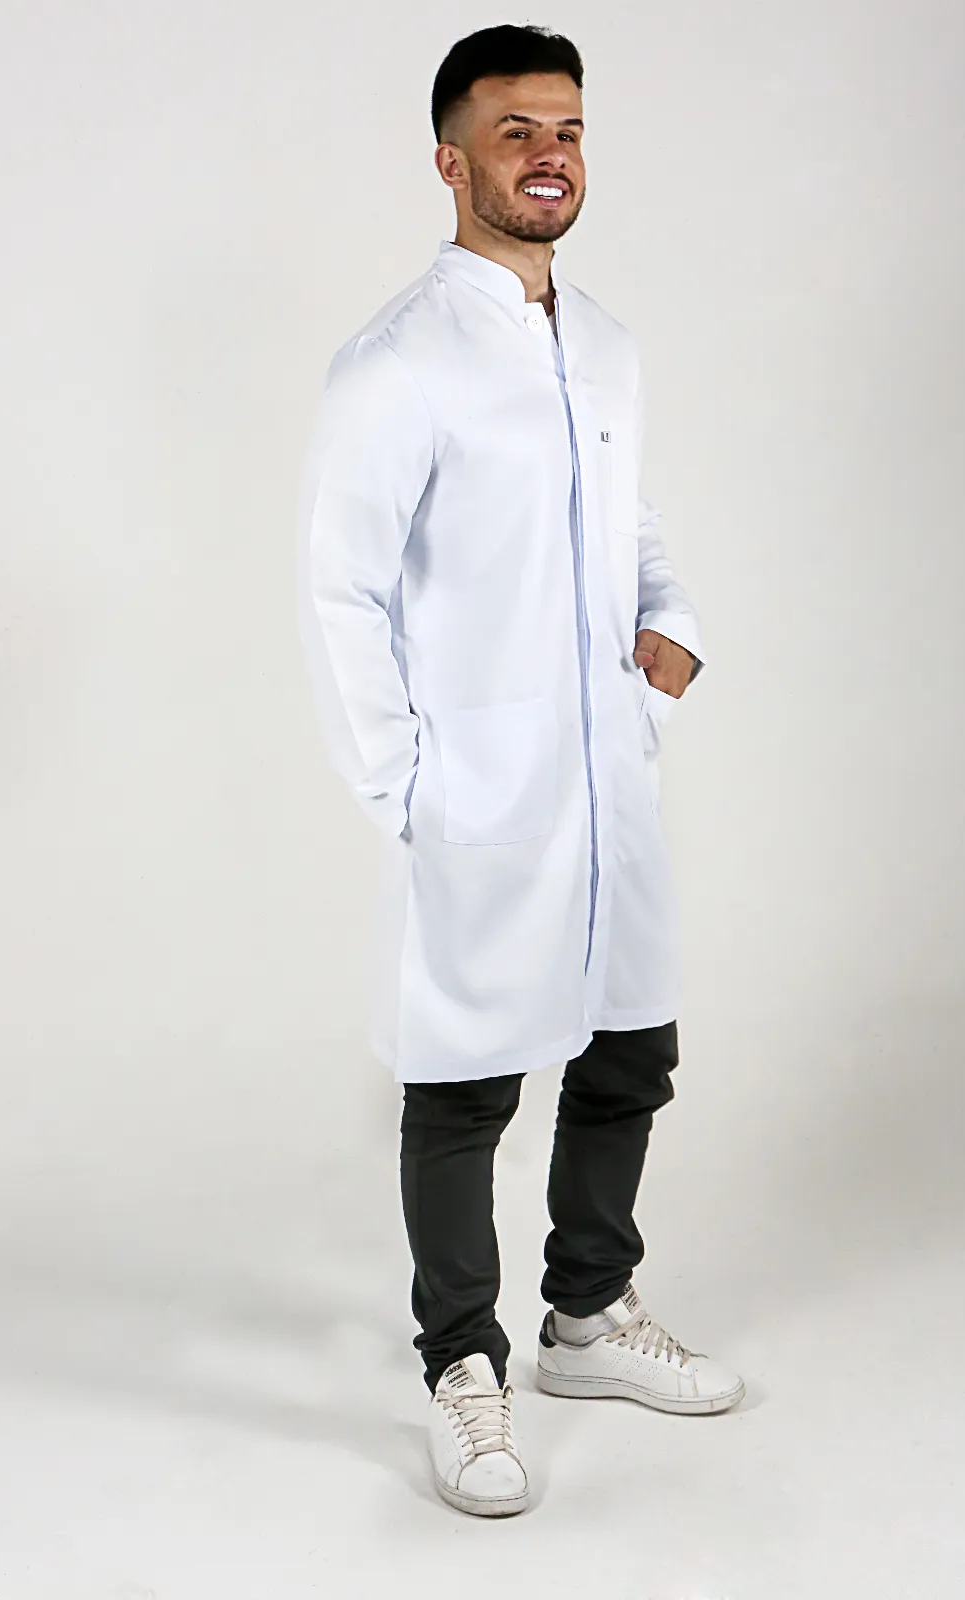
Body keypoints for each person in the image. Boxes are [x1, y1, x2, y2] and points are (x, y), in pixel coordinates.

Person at [297, 23, 744, 1518]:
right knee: (464, 1078)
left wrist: (671, 627)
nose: (548, 155)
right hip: (478, 788)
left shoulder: (604, 343)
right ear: (451, 161)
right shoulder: (399, 363)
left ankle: (588, 1317)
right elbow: (341, 594)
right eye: (514, 132)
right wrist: (409, 790)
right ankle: (461, 1365)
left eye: (566, 130)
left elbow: (626, 523)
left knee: (629, 1051)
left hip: (610, 771)